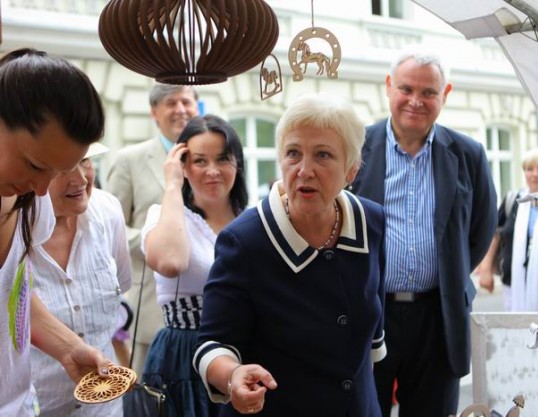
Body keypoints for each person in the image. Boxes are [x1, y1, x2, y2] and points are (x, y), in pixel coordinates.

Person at [193, 92, 387, 417]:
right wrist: (232, 376)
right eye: (293, 153)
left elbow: (373, 328)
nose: (304, 170)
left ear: (351, 170)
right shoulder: (244, 240)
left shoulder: (371, 221)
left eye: (323, 155)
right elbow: (211, 345)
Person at [351, 45, 498, 417]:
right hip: (370, 311)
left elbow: (481, 228)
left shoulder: (468, 154)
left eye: (428, 92)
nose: (416, 101)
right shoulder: (355, 148)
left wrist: (450, 270)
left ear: (444, 95)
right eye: (406, 89)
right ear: (389, 86)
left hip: (438, 315)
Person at [0, 48, 112, 416]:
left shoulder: (32, 206)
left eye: (57, 171)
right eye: (35, 165)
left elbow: (12, 294)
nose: (42, 189)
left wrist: (67, 346)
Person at [140, 114, 248, 417]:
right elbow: (170, 262)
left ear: (237, 163)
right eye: (200, 161)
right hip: (184, 356)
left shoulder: (252, 219)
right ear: (183, 165)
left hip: (244, 350)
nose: (212, 171)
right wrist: (172, 185)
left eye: (222, 159)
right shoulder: (165, 216)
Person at [29, 143, 132, 416]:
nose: (81, 178)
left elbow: (121, 286)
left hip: (105, 408)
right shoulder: (11, 227)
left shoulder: (108, 212)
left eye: (85, 160)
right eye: (63, 168)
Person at [105, 83, 199, 379]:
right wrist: (156, 241)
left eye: (186, 102)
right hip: (149, 312)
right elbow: (112, 227)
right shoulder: (128, 160)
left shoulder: (210, 158)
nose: (181, 109)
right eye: (171, 103)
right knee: (149, 395)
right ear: (154, 112)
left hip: (206, 313)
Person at [478, 147, 538, 311]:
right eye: (529, 169)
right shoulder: (514, 200)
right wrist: (485, 269)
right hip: (513, 286)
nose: (535, 174)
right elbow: (495, 234)